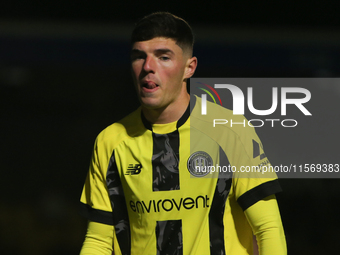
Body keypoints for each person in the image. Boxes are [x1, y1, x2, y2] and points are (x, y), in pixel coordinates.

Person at [79, 12, 286, 255]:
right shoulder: (110, 141)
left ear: (189, 68)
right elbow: (99, 240)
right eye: (139, 57)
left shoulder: (230, 129)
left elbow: (268, 228)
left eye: (163, 57)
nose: (148, 67)